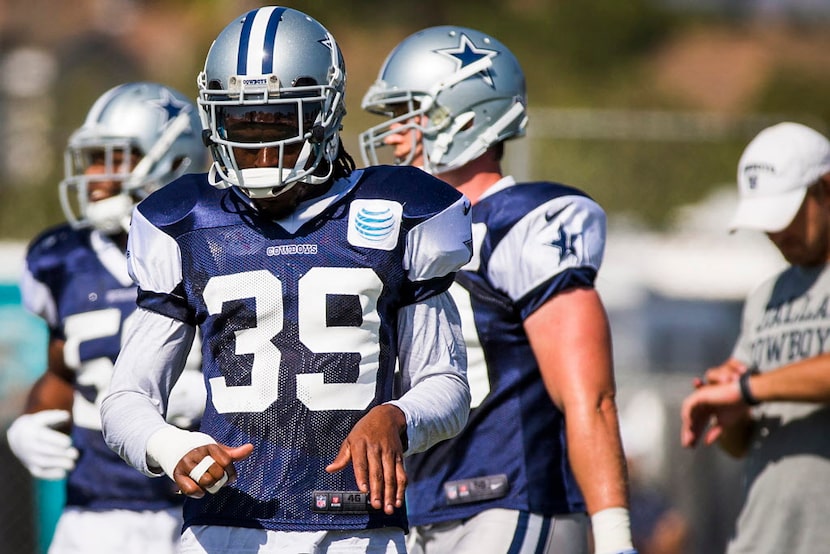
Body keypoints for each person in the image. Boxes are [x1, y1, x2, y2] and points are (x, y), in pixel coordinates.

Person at [100, 7, 473, 554]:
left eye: (277, 123)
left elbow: (447, 384)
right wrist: (168, 444)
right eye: (239, 124)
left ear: (324, 114)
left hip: (356, 528)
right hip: (225, 526)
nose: (257, 148)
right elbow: (127, 396)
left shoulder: (401, 210)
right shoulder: (185, 220)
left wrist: (398, 415)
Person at [361, 26, 636, 554]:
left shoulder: (524, 223)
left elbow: (590, 398)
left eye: (409, 115)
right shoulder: (408, 235)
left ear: (465, 115)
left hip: (512, 500)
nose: (393, 136)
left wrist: (616, 537)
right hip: (422, 508)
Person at [6, 81, 208, 554]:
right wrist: (33, 421)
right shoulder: (60, 258)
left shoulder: (217, 245)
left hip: (201, 504)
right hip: (93, 510)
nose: (94, 174)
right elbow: (62, 371)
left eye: (112, 157)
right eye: (91, 157)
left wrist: (204, 395)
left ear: (173, 160)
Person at [680, 121, 830, 553]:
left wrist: (747, 388)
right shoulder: (766, 295)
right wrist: (730, 409)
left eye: (788, 214)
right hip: (763, 539)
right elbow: (740, 445)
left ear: (825, 189)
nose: (777, 234)